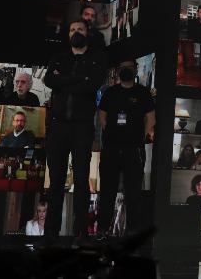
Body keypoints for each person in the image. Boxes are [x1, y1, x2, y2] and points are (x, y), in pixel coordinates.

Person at [43, 18, 108, 241]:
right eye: (72, 29)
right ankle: (51, 231)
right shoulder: (59, 58)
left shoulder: (98, 58)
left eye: (80, 29)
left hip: (82, 127)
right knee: (56, 181)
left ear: (87, 32)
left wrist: (66, 81)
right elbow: (49, 80)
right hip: (59, 126)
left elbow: (93, 84)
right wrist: (79, 78)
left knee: (81, 180)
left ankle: (80, 231)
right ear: (68, 34)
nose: (76, 32)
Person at [96, 60, 155, 240]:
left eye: (129, 67)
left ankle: (133, 231)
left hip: (134, 149)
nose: (126, 70)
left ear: (136, 69)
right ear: (118, 70)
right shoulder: (110, 92)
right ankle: (102, 230)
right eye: (123, 67)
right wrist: (114, 135)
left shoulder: (143, 93)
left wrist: (138, 137)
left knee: (134, 192)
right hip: (111, 148)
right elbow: (102, 117)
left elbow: (151, 120)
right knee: (107, 190)